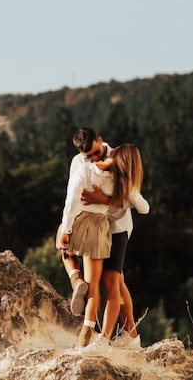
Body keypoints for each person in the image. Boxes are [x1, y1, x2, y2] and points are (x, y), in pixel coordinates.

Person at [79, 144, 149, 355]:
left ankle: (104, 339)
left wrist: (109, 201)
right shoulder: (108, 171)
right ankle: (131, 337)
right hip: (104, 232)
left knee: (111, 282)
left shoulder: (127, 185)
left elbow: (144, 208)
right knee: (117, 282)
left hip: (118, 233)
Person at [57, 128, 113, 349]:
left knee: (64, 249)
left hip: (80, 217)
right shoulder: (115, 161)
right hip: (99, 223)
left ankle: (74, 279)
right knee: (94, 285)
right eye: (87, 156)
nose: (92, 158)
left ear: (100, 140)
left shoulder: (82, 167)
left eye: (94, 153)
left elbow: (71, 199)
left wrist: (67, 229)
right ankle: (85, 338)